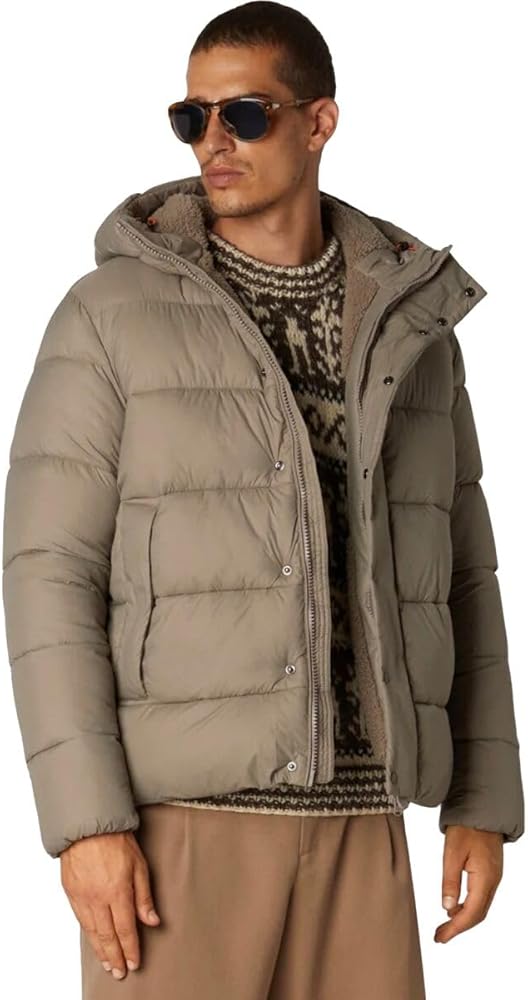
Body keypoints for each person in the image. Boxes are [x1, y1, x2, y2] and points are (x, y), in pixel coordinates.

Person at [2, 2, 524, 998]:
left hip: (365, 821)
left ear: (319, 122)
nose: (213, 141)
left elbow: (463, 570)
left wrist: (483, 797)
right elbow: (47, 574)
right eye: (190, 118)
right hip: (182, 829)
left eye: (243, 114)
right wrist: (86, 822)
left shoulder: (411, 331)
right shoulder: (110, 317)